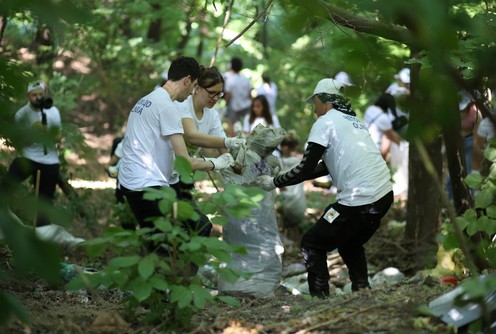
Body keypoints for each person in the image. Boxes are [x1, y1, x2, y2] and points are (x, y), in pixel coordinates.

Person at [254, 78, 393, 298]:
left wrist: (273, 182)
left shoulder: (325, 122)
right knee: (350, 242)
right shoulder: (353, 121)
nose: (314, 109)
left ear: (324, 101)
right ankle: (362, 291)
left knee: (311, 244)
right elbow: (320, 168)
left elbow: (304, 168)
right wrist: (281, 178)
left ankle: (320, 299)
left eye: (314, 103)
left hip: (358, 200)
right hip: (383, 195)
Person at [118, 56, 234, 237]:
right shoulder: (168, 107)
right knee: (190, 232)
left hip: (139, 181)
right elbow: (184, 162)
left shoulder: (147, 100)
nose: (191, 92)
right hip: (146, 185)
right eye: (194, 85)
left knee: (185, 231)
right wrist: (217, 163)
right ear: (187, 80)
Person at [171, 65, 245, 200]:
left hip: (183, 173)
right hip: (163, 172)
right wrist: (228, 141)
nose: (216, 98)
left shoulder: (212, 115)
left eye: (219, 94)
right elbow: (191, 136)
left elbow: (223, 148)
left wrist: (236, 166)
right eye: (212, 92)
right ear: (197, 88)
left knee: (193, 218)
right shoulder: (183, 105)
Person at [2, 81, 62, 226]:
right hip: (28, 157)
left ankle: (42, 234)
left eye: (40, 94)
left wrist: (46, 131)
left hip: (49, 161)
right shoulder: (22, 115)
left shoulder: (52, 111)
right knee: (6, 187)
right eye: (34, 95)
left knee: (44, 204)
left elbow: (59, 138)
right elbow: (20, 143)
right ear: (28, 96)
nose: (38, 98)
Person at [363, 93, 401, 158]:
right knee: (387, 138)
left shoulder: (370, 108)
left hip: (365, 144)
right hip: (375, 149)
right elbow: (392, 137)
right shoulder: (383, 118)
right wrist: (402, 145)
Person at [224, 57, 252, 136]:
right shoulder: (246, 79)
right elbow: (250, 95)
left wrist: (226, 104)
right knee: (247, 126)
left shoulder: (230, 80)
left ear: (231, 66)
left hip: (234, 106)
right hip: (246, 106)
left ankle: (233, 142)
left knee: (232, 126)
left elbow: (228, 95)